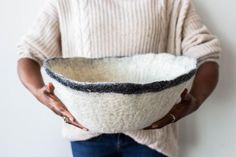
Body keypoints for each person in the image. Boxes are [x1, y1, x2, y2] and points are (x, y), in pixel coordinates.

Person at [16, 0, 221, 157]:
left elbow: (207, 55)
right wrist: (39, 93)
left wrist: (195, 100)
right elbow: (29, 53)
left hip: (152, 138)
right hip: (87, 135)